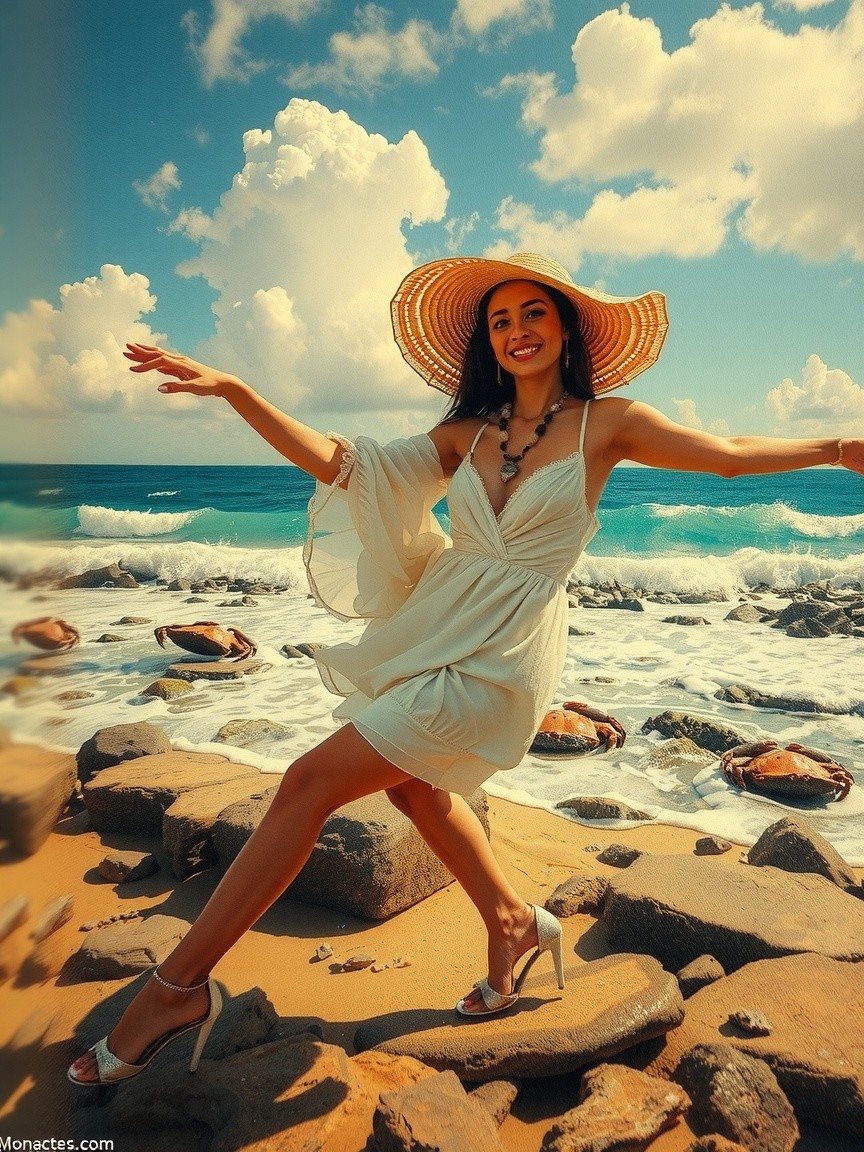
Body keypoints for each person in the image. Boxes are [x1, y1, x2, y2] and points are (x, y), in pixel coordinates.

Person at [68, 252, 862, 1085]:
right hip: (441, 626)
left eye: (534, 314)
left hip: (507, 652)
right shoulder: (471, 433)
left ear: (565, 327)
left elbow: (728, 455)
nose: (517, 331)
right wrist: (238, 393)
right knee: (412, 787)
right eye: (501, 320)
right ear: (488, 340)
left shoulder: (609, 423)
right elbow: (345, 464)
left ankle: (174, 991)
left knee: (308, 782)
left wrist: (840, 445)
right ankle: (512, 920)